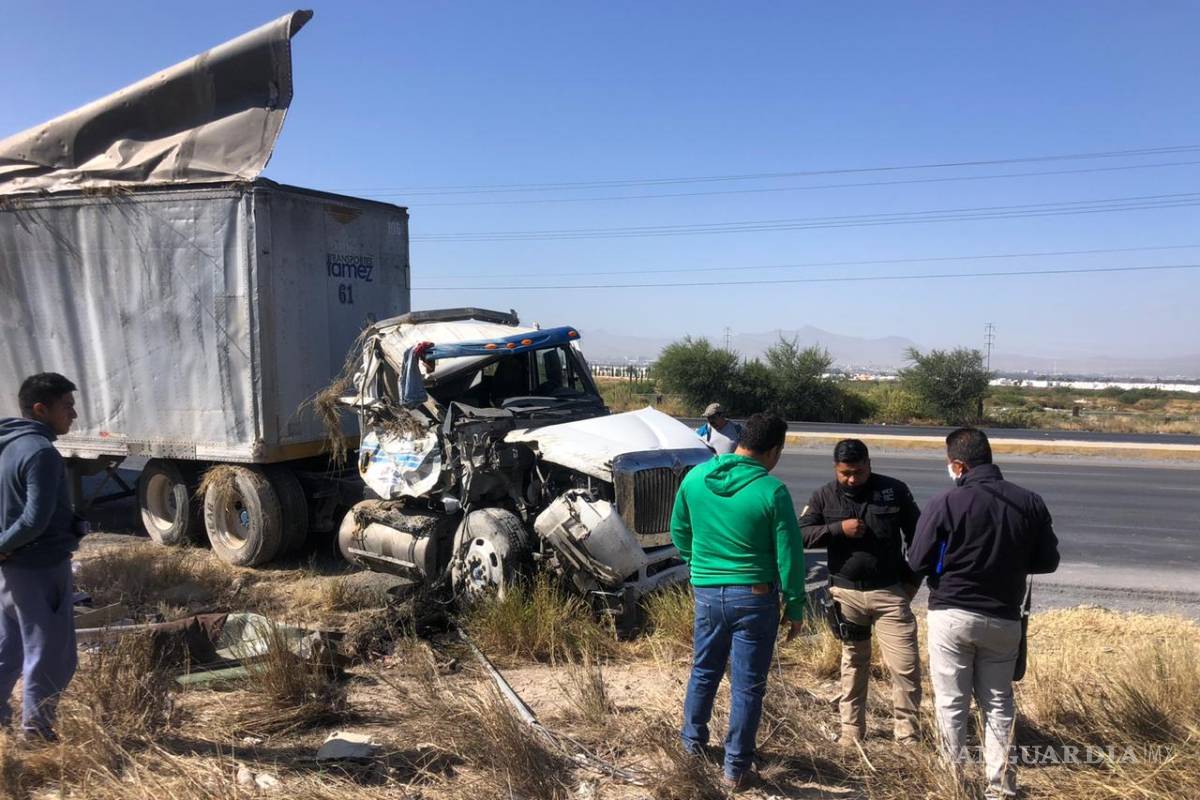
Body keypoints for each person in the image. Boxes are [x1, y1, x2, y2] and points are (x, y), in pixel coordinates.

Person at [908, 428, 1059, 799]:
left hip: (952, 614)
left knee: (951, 703)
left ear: (958, 464)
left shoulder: (945, 503)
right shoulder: (1030, 502)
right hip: (1004, 618)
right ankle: (1001, 786)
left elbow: (916, 559)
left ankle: (952, 781)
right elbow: (1048, 561)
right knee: (998, 703)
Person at [671, 412, 806, 789]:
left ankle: (691, 748)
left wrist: (698, 564)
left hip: (708, 594)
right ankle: (735, 768)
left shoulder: (696, 477)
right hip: (755, 597)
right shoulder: (771, 491)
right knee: (747, 685)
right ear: (775, 450)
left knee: (704, 670)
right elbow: (790, 555)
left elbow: (678, 530)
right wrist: (795, 606)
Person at [799, 439, 923, 745]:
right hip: (846, 595)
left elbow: (920, 537)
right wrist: (838, 530)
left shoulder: (894, 490)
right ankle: (851, 732)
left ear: (869, 464)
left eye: (858, 471)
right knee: (853, 664)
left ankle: (907, 734)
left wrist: (912, 582)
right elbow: (801, 534)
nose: (852, 479)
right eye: (845, 473)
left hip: (891, 594)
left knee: (905, 667)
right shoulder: (824, 496)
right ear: (835, 469)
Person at [0, 373, 84, 740]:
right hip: (39, 566)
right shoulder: (41, 453)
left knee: (10, 645)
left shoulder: (7, 445)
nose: (73, 415)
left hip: (11, 568)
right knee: (52, 653)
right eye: (66, 406)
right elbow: (35, 519)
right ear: (41, 409)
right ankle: (36, 732)